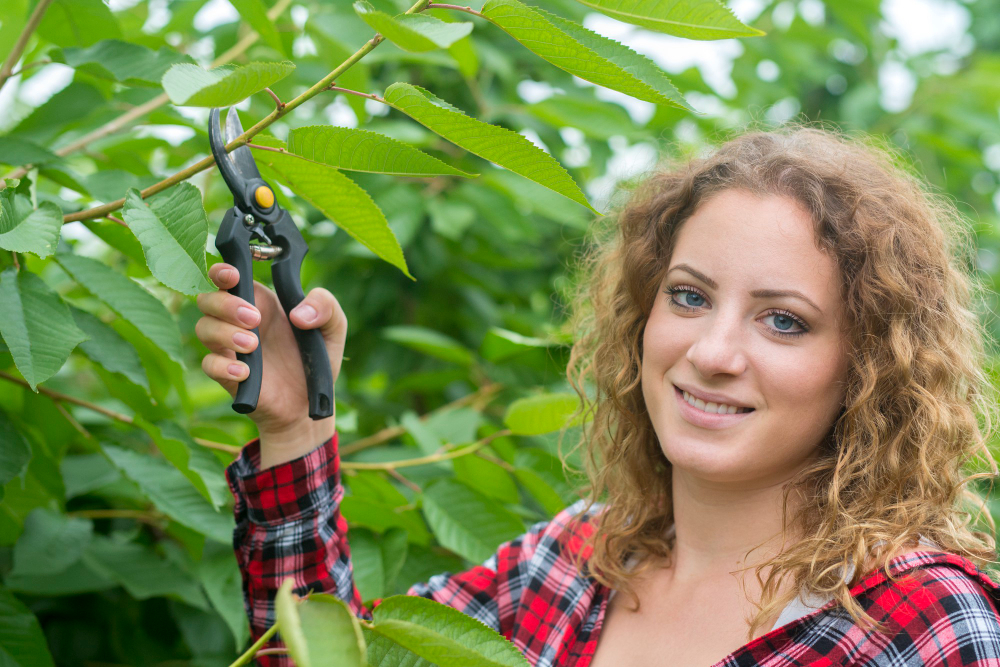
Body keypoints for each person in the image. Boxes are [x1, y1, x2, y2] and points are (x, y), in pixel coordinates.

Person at [197, 126, 1000, 667]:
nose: (711, 352)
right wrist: (298, 428)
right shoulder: (577, 560)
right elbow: (324, 652)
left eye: (783, 320)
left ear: (867, 366)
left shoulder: (919, 624)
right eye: (688, 296)